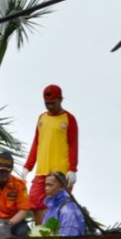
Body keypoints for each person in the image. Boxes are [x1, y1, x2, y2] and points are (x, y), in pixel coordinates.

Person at [21, 85, 79, 224]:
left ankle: (57, 235)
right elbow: (36, 143)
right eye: (47, 103)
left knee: (58, 205)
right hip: (42, 171)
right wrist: (28, 166)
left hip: (61, 173)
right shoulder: (42, 118)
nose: (50, 106)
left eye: (53, 103)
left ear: (60, 100)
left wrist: (72, 169)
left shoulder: (69, 119)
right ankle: (41, 234)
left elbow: (73, 145)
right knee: (34, 202)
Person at [42, 171, 86, 237]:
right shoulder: (53, 206)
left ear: (61, 186)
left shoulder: (68, 210)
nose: (46, 188)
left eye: (50, 185)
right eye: (46, 185)